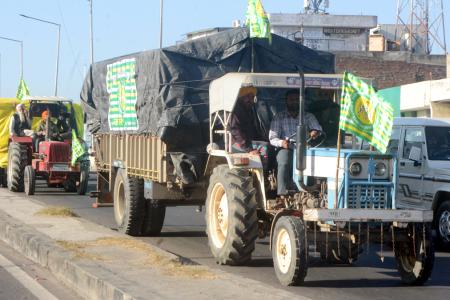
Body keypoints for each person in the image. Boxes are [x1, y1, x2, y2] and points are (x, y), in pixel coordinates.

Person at [269, 89, 322, 196]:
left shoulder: (308, 116)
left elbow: (317, 129)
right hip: (287, 147)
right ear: (286, 101)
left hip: (305, 147)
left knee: (316, 161)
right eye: (291, 99)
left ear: (301, 102)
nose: (294, 102)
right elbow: (272, 138)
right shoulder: (279, 117)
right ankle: (282, 192)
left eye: (297, 100)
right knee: (284, 161)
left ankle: (314, 190)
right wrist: (282, 143)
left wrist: (315, 132)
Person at [229, 86, 269, 165]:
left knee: (266, 146)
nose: (250, 100)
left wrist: (263, 139)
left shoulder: (248, 110)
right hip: (236, 144)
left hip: (247, 143)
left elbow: (252, 129)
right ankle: (264, 172)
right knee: (263, 150)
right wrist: (249, 149)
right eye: (247, 97)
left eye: (252, 97)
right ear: (241, 97)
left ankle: (267, 172)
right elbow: (235, 132)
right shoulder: (235, 111)